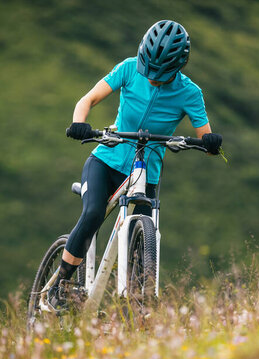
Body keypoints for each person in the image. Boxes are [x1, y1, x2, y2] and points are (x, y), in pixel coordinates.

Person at [48, 20, 222, 311]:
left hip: (146, 173)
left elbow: (205, 138)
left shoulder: (190, 93)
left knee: (147, 235)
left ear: (178, 67)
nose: (152, 78)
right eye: (149, 70)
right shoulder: (129, 68)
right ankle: (59, 286)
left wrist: (210, 143)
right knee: (92, 214)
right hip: (107, 160)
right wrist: (79, 123)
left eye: (161, 74)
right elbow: (88, 99)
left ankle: (140, 303)